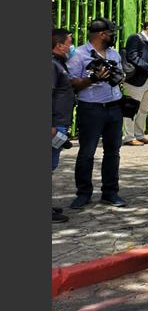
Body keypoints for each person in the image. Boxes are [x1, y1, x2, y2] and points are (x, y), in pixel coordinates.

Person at [67, 18, 127, 209]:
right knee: (87, 152)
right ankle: (83, 193)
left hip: (114, 107)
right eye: (111, 33)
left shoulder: (114, 54)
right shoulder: (79, 54)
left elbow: (120, 76)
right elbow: (71, 82)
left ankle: (110, 192)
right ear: (102, 35)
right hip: (91, 109)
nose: (113, 36)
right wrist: (92, 79)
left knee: (113, 152)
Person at [122, 19, 148, 146]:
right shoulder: (136, 38)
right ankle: (128, 137)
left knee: (143, 110)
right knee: (131, 109)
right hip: (137, 80)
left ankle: (139, 134)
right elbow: (132, 56)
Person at [52, 28, 75, 223]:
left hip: (59, 123)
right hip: (54, 125)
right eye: (69, 42)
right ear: (59, 45)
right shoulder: (52, 65)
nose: (71, 46)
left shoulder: (59, 63)